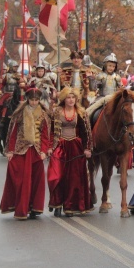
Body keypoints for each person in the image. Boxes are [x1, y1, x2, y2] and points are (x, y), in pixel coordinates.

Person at [0, 88, 51, 220]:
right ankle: (21, 207)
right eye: (32, 99)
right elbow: (13, 133)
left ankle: (34, 207)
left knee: (35, 181)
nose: (34, 102)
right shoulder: (19, 113)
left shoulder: (44, 115)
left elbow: (45, 135)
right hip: (21, 150)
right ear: (27, 99)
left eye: (36, 100)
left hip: (37, 151)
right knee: (21, 180)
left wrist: (44, 151)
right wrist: (10, 150)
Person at [47, 87, 93, 217]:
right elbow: (50, 131)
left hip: (75, 147)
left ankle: (69, 205)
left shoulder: (81, 112)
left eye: (73, 97)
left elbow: (87, 133)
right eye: (68, 97)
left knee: (73, 179)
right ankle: (56, 203)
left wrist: (87, 148)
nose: (71, 100)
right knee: (56, 176)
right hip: (59, 146)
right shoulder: (56, 112)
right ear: (64, 99)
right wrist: (50, 147)